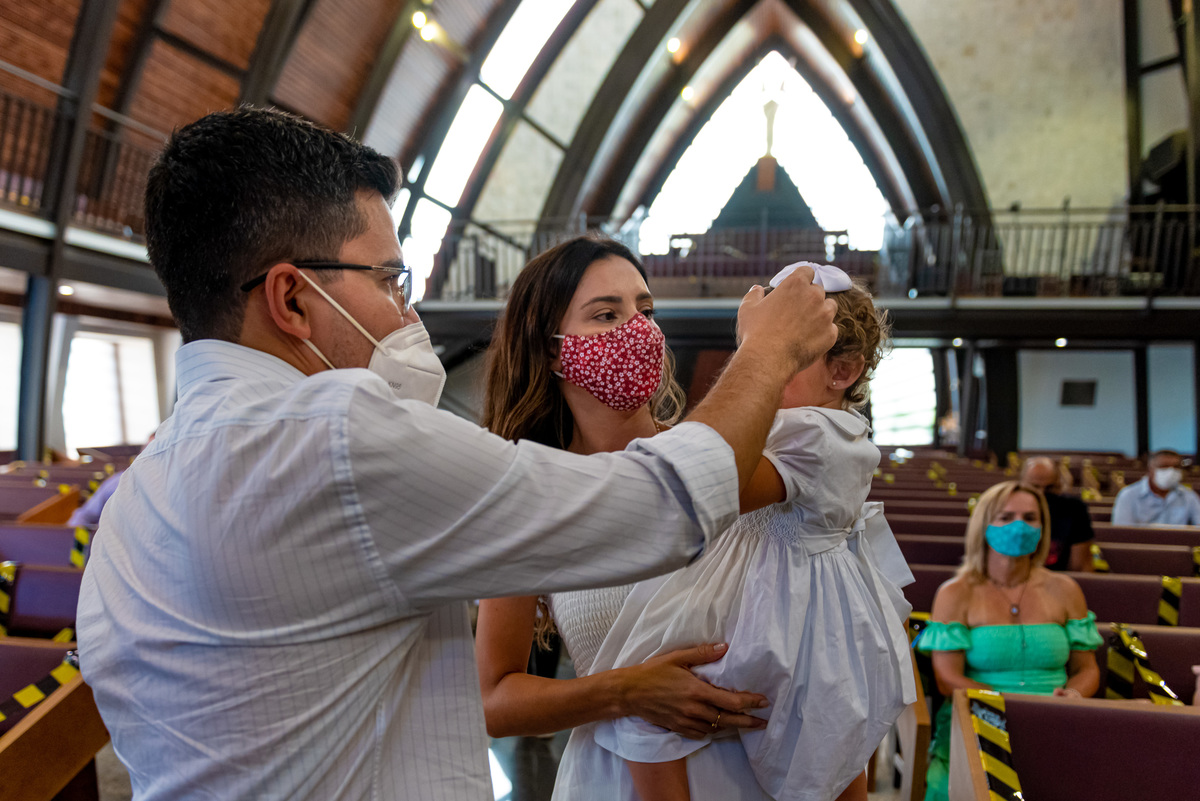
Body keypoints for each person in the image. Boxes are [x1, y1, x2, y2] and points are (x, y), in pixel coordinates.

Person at [74, 108, 841, 801]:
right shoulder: (339, 437)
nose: (406, 311)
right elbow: (659, 508)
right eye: (388, 278)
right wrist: (769, 352)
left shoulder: (131, 511)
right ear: (293, 299)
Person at [477, 255, 913, 801]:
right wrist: (624, 692)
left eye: (646, 309)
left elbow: (827, 660)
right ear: (551, 348)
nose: (637, 330)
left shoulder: (745, 463)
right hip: (620, 780)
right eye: (607, 316)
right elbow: (493, 701)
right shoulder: (530, 501)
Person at [916, 480, 1102, 801]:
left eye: (1030, 518)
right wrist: (1009, 705)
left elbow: (1087, 669)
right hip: (981, 715)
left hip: (1056, 717)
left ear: (1043, 526)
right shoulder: (955, 593)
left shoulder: (1066, 589)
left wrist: (1073, 694)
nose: (1019, 525)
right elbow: (948, 680)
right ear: (984, 524)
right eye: (1005, 517)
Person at [1020, 457, 1094, 571]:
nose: (1041, 494)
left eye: (1049, 488)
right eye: (1035, 487)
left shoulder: (1074, 509)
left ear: (1059, 485)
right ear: (1021, 485)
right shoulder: (1009, 509)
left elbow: (1080, 566)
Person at [1111, 450, 1200, 526]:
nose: (1171, 471)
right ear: (1151, 469)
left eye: (1176, 467)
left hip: (1179, 545)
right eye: (1164, 466)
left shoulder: (1189, 496)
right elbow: (1122, 532)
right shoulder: (1128, 495)